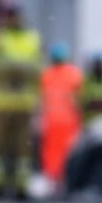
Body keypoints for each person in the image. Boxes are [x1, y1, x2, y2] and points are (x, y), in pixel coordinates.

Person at [0, 3, 42, 201]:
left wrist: (10, 69)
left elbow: (37, 70)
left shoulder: (31, 39)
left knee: (22, 150)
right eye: (7, 16)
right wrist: (17, 70)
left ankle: (20, 186)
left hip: (23, 106)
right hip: (0, 105)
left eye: (12, 16)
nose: (9, 20)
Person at [39, 43, 82, 193]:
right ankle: (61, 181)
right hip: (68, 122)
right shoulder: (73, 74)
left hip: (53, 122)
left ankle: (54, 181)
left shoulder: (47, 75)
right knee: (65, 152)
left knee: (53, 153)